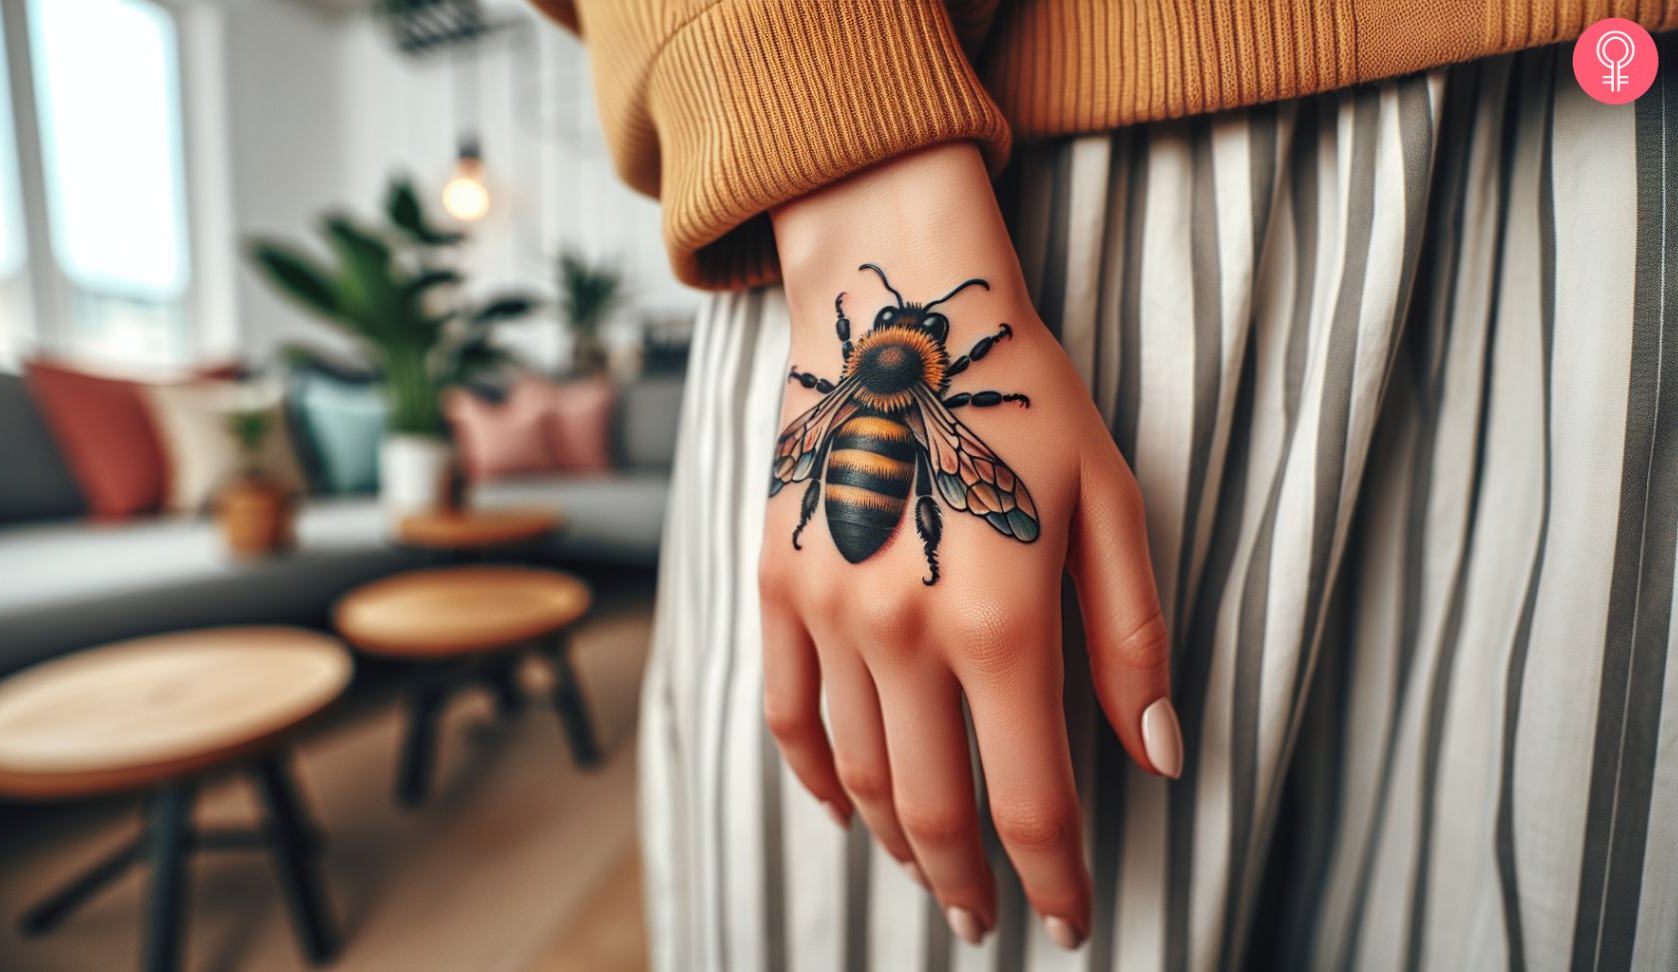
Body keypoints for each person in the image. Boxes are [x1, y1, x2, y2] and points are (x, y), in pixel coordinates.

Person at [536, 3, 1678, 968]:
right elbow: (961, 435)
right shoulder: (940, 359)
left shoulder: (880, 384)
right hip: (1002, 179)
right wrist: (830, 128)